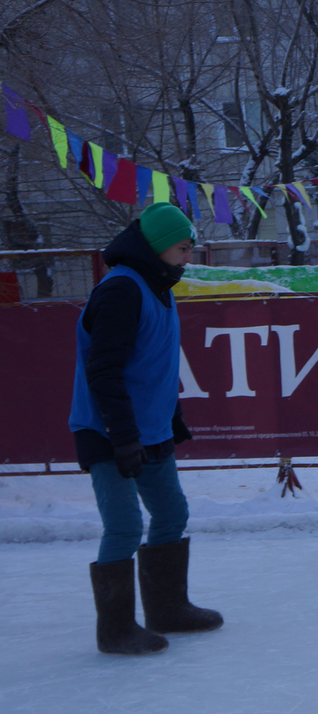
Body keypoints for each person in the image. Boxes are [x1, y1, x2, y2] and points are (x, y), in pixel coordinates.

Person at [69, 202, 223, 655]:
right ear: (157, 248)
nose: (188, 258)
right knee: (123, 525)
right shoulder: (121, 290)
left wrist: (169, 420)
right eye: (182, 248)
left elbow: (152, 363)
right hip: (110, 431)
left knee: (172, 513)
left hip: (149, 429)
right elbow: (104, 371)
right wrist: (123, 437)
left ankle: (167, 608)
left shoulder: (158, 285)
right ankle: (116, 629)